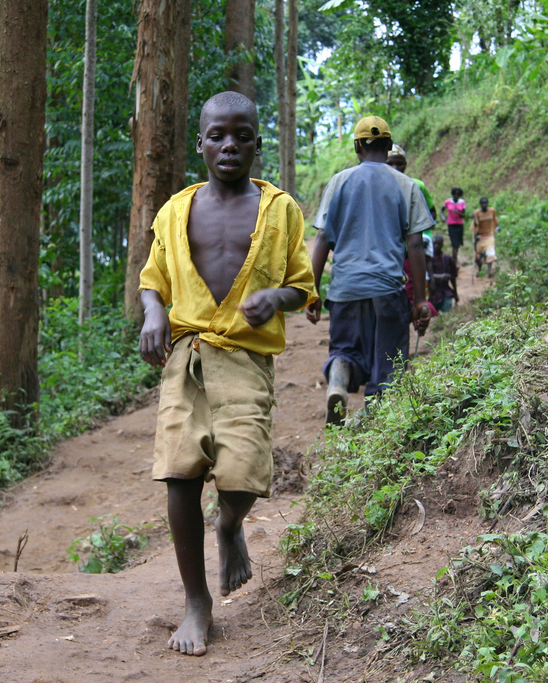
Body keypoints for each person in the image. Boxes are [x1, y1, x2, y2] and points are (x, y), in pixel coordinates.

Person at [138, 91, 317, 657]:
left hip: (245, 357)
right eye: (218, 135)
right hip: (187, 353)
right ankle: (197, 601)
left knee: (242, 472)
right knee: (179, 474)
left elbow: (302, 285)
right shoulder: (174, 210)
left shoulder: (279, 209)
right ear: (201, 143)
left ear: (257, 144)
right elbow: (153, 278)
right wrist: (152, 315)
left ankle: (230, 524)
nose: (229, 145)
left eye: (242, 135)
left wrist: (275, 297)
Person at [307, 115, 435, 425]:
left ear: (357, 147)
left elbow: (323, 238)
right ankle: (373, 429)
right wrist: (420, 300)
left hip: (345, 289)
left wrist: (311, 291)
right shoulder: (406, 185)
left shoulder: (339, 182)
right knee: (387, 368)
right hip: (388, 290)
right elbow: (415, 246)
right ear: (389, 146)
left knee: (345, 350)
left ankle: (338, 378)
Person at [386, 144, 436, 226]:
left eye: (399, 164)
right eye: (389, 164)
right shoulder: (373, 187)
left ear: (405, 165)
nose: (395, 168)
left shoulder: (416, 185)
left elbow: (431, 213)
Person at [428, 234, 459, 313]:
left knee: (447, 315)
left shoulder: (447, 259)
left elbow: (453, 277)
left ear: (442, 245)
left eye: (438, 244)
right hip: (432, 293)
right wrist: (440, 277)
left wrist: (455, 293)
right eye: (434, 244)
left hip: (445, 292)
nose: (436, 246)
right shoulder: (428, 259)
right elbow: (425, 275)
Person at [472, 196, 499, 277]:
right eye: (482, 203)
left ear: (487, 203)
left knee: (490, 253)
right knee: (480, 255)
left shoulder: (492, 211)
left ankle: (489, 271)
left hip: (489, 235)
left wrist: (497, 227)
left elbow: (495, 220)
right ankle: (479, 270)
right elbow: (475, 225)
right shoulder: (477, 213)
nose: (484, 204)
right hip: (480, 236)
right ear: (480, 204)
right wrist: (474, 219)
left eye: (485, 203)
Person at [441, 187, 466, 262]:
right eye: (455, 194)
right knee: (454, 243)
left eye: (458, 194)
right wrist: (443, 217)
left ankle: (454, 259)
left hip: (459, 225)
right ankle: (454, 260)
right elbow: (442, 210)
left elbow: (464, 215)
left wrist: (458, 213)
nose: (456, 195)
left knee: (457, 244)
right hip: (451, 224)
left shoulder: (462, 202)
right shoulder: (448, 202)